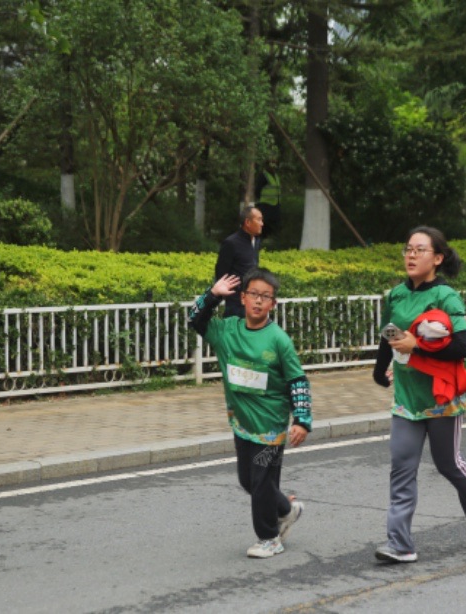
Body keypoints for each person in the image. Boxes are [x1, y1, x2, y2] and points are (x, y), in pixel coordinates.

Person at [371, 226, 466, 563]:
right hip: (407, 398)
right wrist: (380, 370)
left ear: (437, 258)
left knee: (448, 464)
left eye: (419, 250)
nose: (411, 255)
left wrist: (418, 346)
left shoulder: (446, 297)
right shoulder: (396, 294)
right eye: (408, 249)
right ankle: (400, 544)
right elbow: (388, 335)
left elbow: (461, 346)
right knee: (401, 468)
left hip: (442, 398)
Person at [189, 267, 312, 559]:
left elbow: (298, 381)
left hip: (271, 427)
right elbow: (194, 318)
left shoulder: (279, 340)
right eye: (253, 294)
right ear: (243, 298)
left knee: (261, 483)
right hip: (242, 423)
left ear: (273, 304)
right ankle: (287, 509)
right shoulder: (227, 331)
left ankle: (269, 538)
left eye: (265, 297)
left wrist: (303, 420)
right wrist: (212, 295)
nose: (258, 301)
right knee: (248, 480)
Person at [214, 206, 263, 318]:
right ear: (248, 222)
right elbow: (221, 273)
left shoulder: (256, 242)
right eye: (259, 220)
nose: (262, 224)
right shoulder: (231, 243)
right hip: (236, 305)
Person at [255, 162, 282, 239]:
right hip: (265, 204)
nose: (273, 167)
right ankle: (261, 238)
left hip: (276, 204)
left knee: (275, 224)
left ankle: (271, 239)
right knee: (264, 223)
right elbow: (257, 190)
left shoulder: (276, 176)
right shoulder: (263, 176)